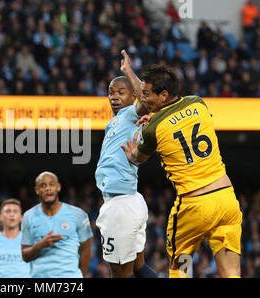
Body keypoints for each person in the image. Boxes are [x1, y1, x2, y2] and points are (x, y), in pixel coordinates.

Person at [121, 64, 242, 278]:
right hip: (226, 201)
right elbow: (179, 120)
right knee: (232, 272)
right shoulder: (198, 103)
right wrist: (129, 72)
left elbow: (137, 158)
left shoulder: (152, 128)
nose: (144, 99)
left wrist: (131, 153)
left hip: (194, 209)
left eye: (147, 94)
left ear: (164, 95)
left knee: (180, 270)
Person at [94, 50, 156, 278]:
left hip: (120, 204)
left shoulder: (131, 113)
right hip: (128, 200)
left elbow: (147, 99)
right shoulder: (115, 121)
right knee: (138, 266)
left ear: (132, 97)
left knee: (120, 272)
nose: (114, 96)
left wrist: (128, 71)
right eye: (111, 92)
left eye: (121, 92)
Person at [21, 171, 93, 278]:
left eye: (51, 184)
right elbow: (25, 256)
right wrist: (40, 245)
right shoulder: (28, 216)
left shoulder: (78, 214)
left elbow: (86, 250)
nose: (48, 188)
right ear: (37, 190)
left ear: (58, 187)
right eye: (43, 185)